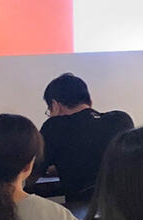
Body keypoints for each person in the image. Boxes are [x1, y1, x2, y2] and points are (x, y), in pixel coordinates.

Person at [38, 73, 134, 206]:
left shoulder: (54, 126)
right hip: (126, 206)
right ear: (89, 101)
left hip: (83, 210)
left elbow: (33, 170)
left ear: (55, 105)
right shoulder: (121, 120)